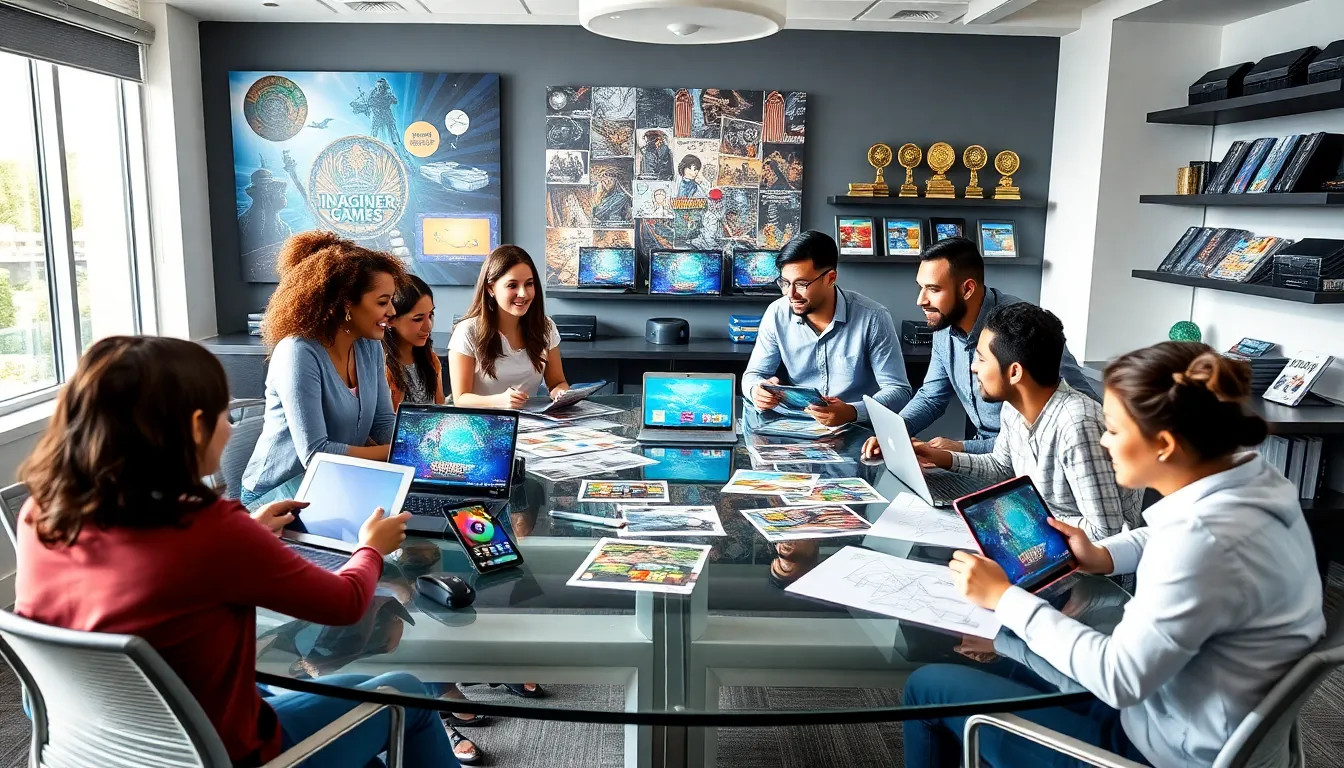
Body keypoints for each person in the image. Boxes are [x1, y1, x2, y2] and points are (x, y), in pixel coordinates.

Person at [14, 336, 461, 768]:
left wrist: (248, 530)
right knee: (406, 693)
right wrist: (370, 549)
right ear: (194, 427)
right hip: (230, 752)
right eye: (222, 414)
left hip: (105, 744)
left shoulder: (42, 513)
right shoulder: (209, 530)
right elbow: (344, 604)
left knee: (354, 694)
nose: (229, 428)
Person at [903, 341, 1326, 768]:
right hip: (1197, 715)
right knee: (1009, 660)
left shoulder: (1199, 544)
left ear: (1162, 444)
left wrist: (1005, 598)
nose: (1104, 442)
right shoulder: (1255, 483)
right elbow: (1162, 536)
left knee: (928, 686)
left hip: (1154, 749)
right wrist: (1102, 555)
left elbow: (1118, 678)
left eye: (1113, 429)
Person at [864, 303, 1143, 540]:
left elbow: (1107, 532)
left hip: (1093, 578)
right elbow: (1001, 466)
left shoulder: (1077, 424)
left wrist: (1018, 515)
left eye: (982, 359)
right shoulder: (1012, 407)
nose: (973, 367)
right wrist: (941, 457)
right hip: (1045, 545)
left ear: (1014, 372)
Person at [242, 231, 403, 508]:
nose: (392, 312)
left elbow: (383, 422)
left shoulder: (369, 346)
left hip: (333, 484)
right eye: (382, 302)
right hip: (276, 497)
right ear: (346, 304)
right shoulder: (298, 352)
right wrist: (401, 452)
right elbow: (317, 453)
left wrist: (417, 449)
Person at [900, 237, 1096, 454]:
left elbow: (1083, 407)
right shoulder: (945, 324)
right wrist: (895, 432)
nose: (921, 300)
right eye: (921, 288)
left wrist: (961, 448)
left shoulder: (1021, 327)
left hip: (1026, 457)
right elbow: (931, 397)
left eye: (933, 289)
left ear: (967, 289)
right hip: (985, 455)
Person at [743, 230, 911, 427]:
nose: (791, 294)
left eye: (802, 284)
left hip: (855, 428)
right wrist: (756, 390)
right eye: (785, 283)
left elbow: (899, 390)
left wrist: (852, 411)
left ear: (830, 278)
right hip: (795, 426)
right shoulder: (776, 313)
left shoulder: (873, 317)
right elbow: (752, 376)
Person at [449, 245, 570, 411]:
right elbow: (461, 399)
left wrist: (560, 393)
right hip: (483, 425)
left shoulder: (546, 327)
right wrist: (499, 401)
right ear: (490, 288)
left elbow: (557, 383)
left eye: (529, 284)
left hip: (532, 424)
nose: (523, 294)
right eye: (512, 285)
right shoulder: (467, 331)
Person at [384, 274, 445, 410]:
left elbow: (440, 412)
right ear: (391, 319)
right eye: (418, 319)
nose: (428, 326)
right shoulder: (381, 368)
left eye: (431, 315)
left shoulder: (431, 360)